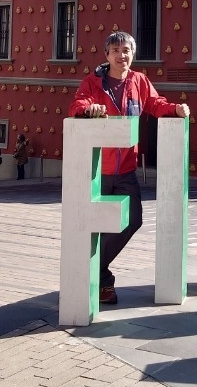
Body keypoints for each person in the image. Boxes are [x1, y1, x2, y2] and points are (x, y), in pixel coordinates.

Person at [68, 30, 190, 305]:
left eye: (126, 50)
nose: (121, 55)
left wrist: (175, 109)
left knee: (133, 220)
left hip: (125, 170)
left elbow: (155, 104)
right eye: (116, 50)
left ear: (132, 54)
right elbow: (77, 104)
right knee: (95, 226)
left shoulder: (139, 81)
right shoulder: (93, 82)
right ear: (106, 55)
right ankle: (102, 282)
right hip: (97, 170)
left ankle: (95, 270)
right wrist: (88, 109)